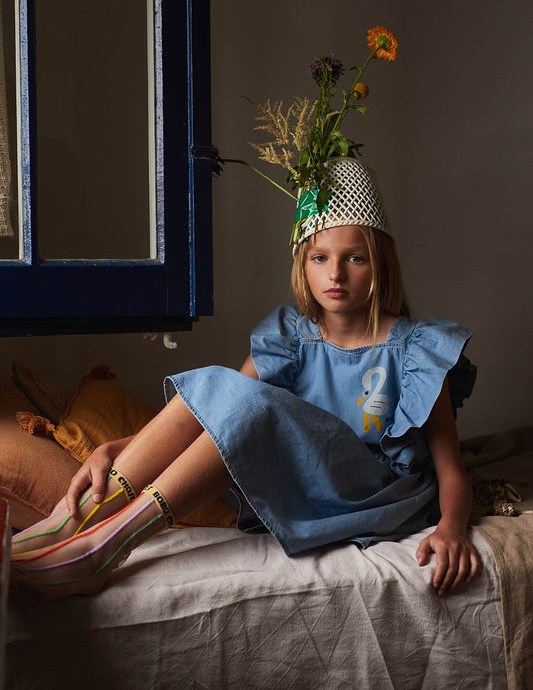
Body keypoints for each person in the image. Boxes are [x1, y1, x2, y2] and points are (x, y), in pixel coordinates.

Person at [11, 30, 480, 599]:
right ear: (303, 265)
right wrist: (120, 450)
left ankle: (108, 544)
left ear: (379, 263)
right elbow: (219, 408)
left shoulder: (414, 349)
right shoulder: (292, 337)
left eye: (355, 258)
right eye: (320, 258)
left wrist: (452, 528)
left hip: (368, 493)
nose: (336, 273)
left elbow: (451, 470)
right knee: (228, 387)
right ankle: (77, 522)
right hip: (305, 484)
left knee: (249, 402)